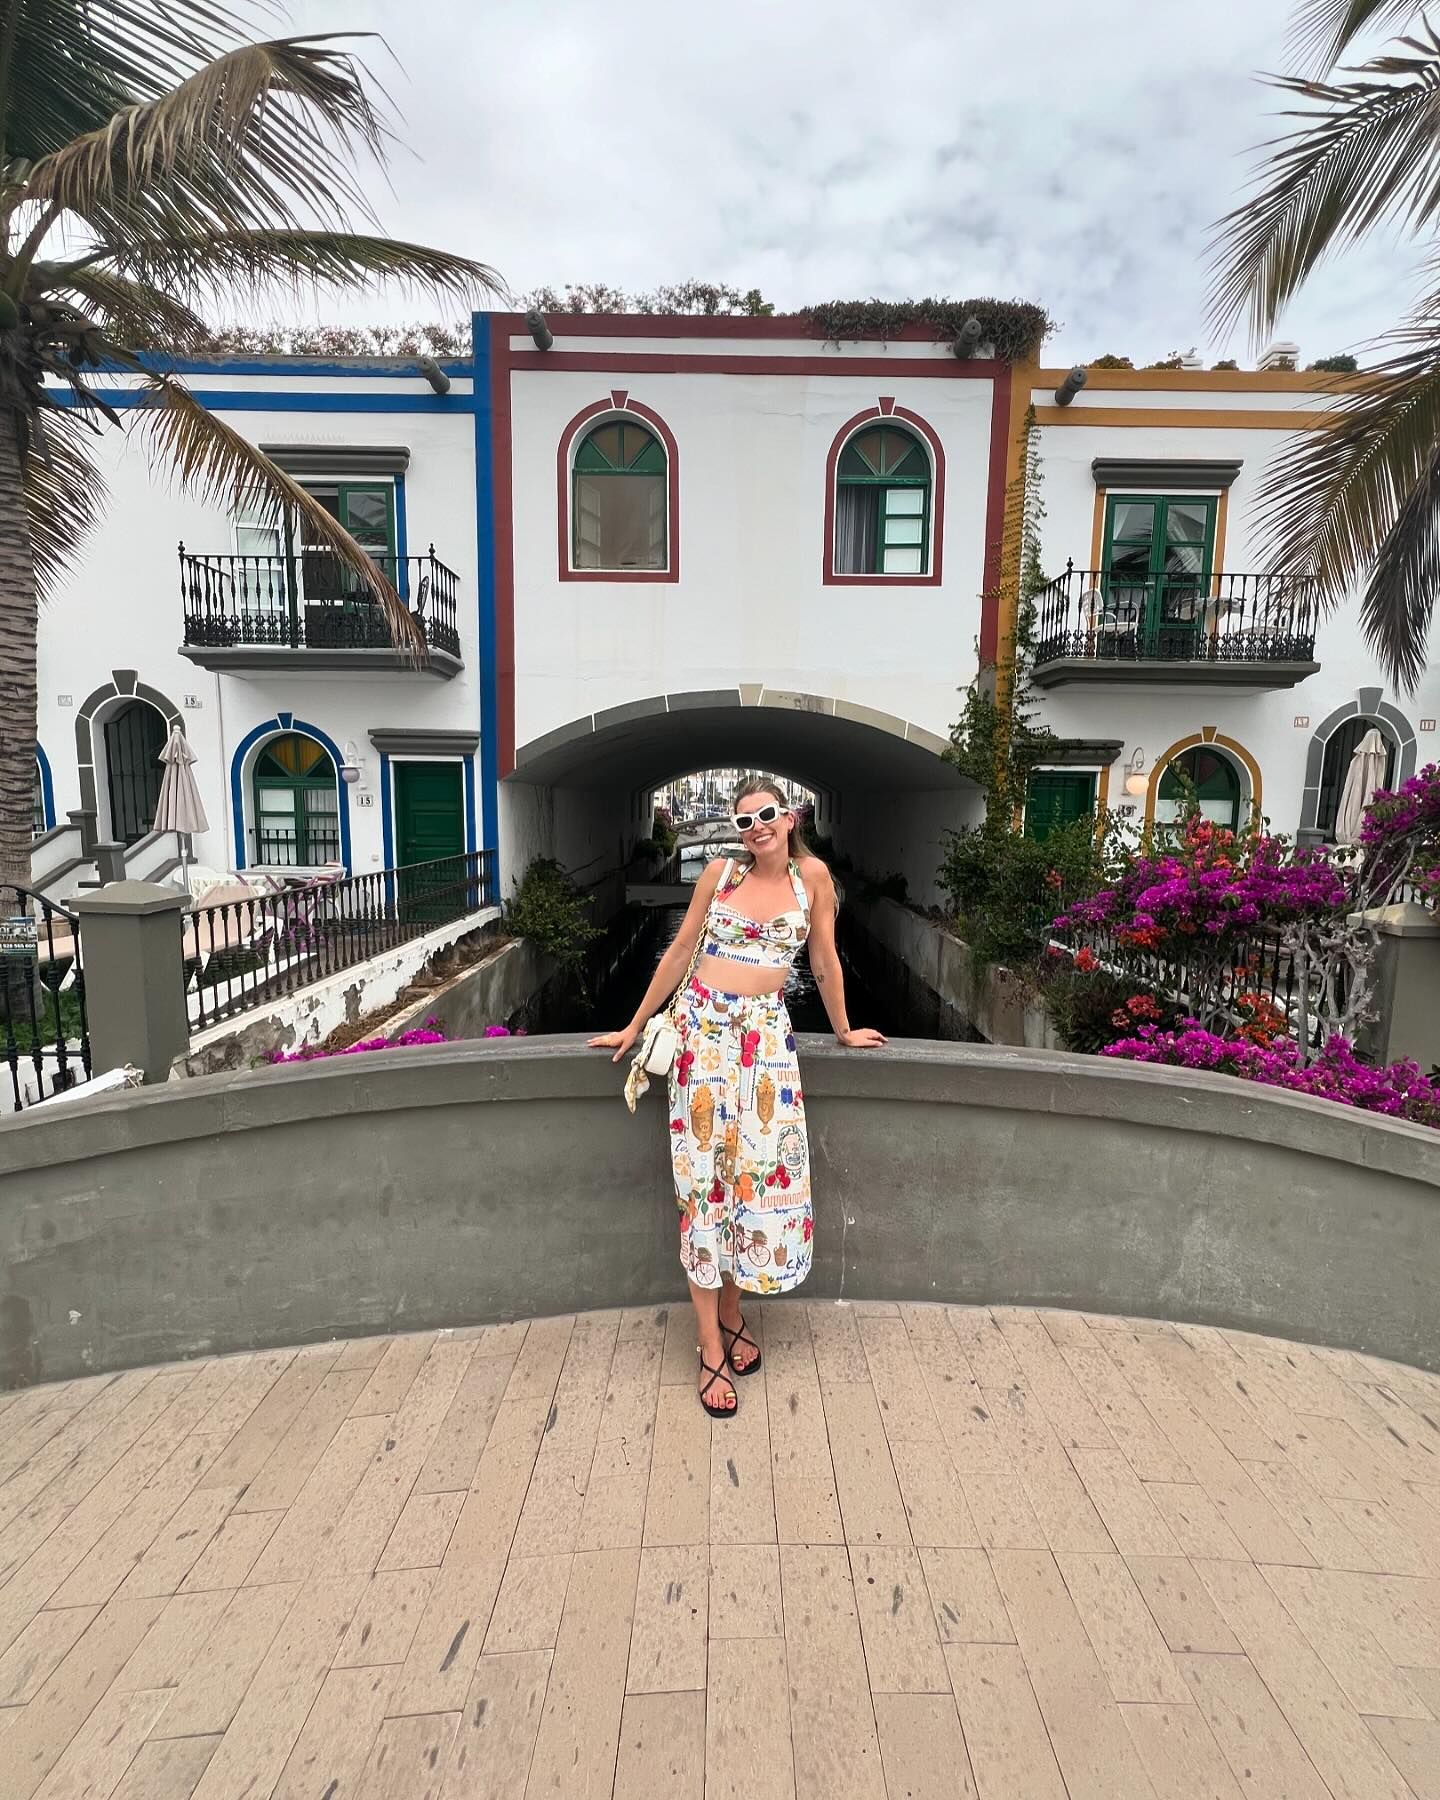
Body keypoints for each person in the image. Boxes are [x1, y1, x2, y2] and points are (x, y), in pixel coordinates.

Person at [589, 777, 886, 1416]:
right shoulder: (720, 875)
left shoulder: (814, 879)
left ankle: (732, 1309)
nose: (757, 828)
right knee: (704, 1182)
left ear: (790, 816)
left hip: (766, 1045)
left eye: (767, 814)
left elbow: (824, 961)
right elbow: (679, 952)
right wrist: (635, 1025)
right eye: (744, 820)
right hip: (702, 1036)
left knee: (753, 1177)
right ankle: (708, 1342)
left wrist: (841, 1029)